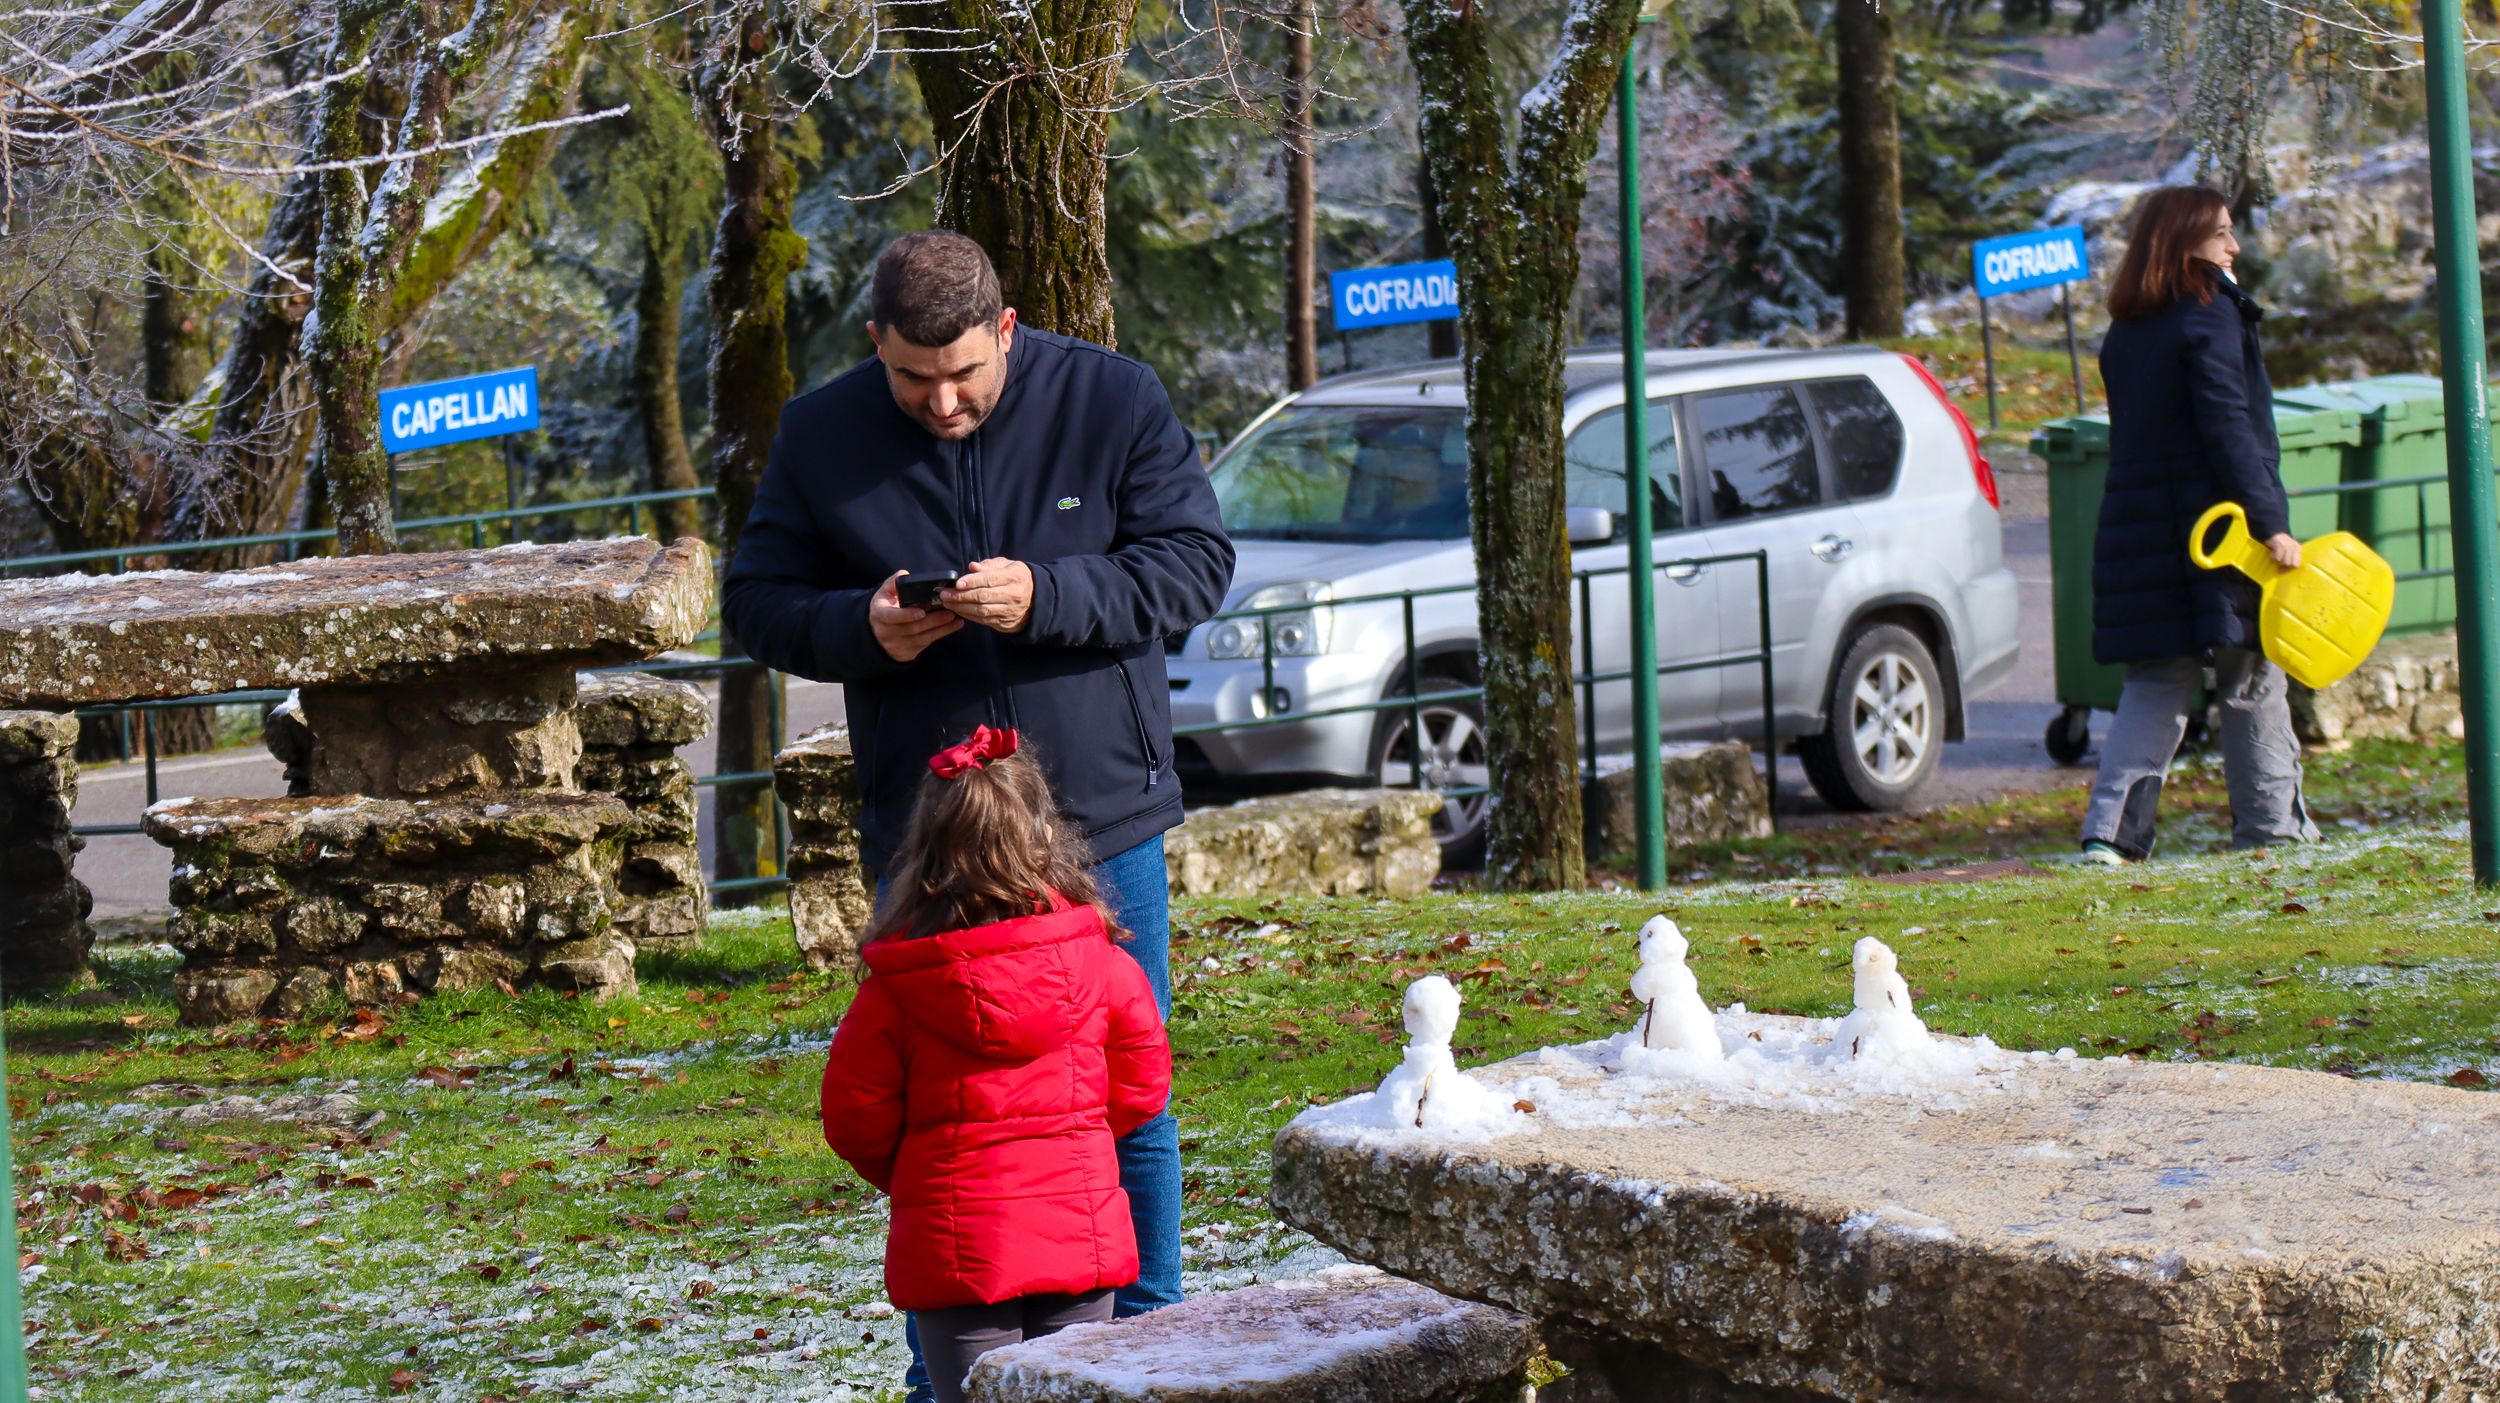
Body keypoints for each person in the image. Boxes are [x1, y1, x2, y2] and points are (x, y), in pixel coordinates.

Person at [721, 229, 1231, 1397]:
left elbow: (1195, 563)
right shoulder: (821, 432)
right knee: (939, 1113)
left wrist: (1050, 595)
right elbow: (756, 602)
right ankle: (947, 1371)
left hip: (1099, 815)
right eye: (912, 378)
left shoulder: (1111, 397)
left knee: (1121, 1093)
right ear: (875, 348)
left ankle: (1146, 1345)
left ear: (1006, 331)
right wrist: (862, 626)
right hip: (928, 836)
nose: (942, 401)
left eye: (964, 374)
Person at [820, 726, 1172, 1403]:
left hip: (958, 1252)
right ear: (1047, 838)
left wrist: (921, 1171)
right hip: (1081, 1240)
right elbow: (1142, 1083)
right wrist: (1082, 1138)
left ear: (923, 852)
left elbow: (853, 1117)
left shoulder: (895, 990)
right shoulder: (1104, 965)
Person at [2078, 184, 2322, 863]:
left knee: (2155, 678)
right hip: (2217, 533)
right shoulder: (2210, 315)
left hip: (2140, 529)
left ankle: (2111, 836)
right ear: (2186, 241)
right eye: (2222, 233)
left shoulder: (2128, 328)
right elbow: (2229, 426)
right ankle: (2274, 830)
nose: (2235, 246)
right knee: (2251, 673)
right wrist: (2270, 521)